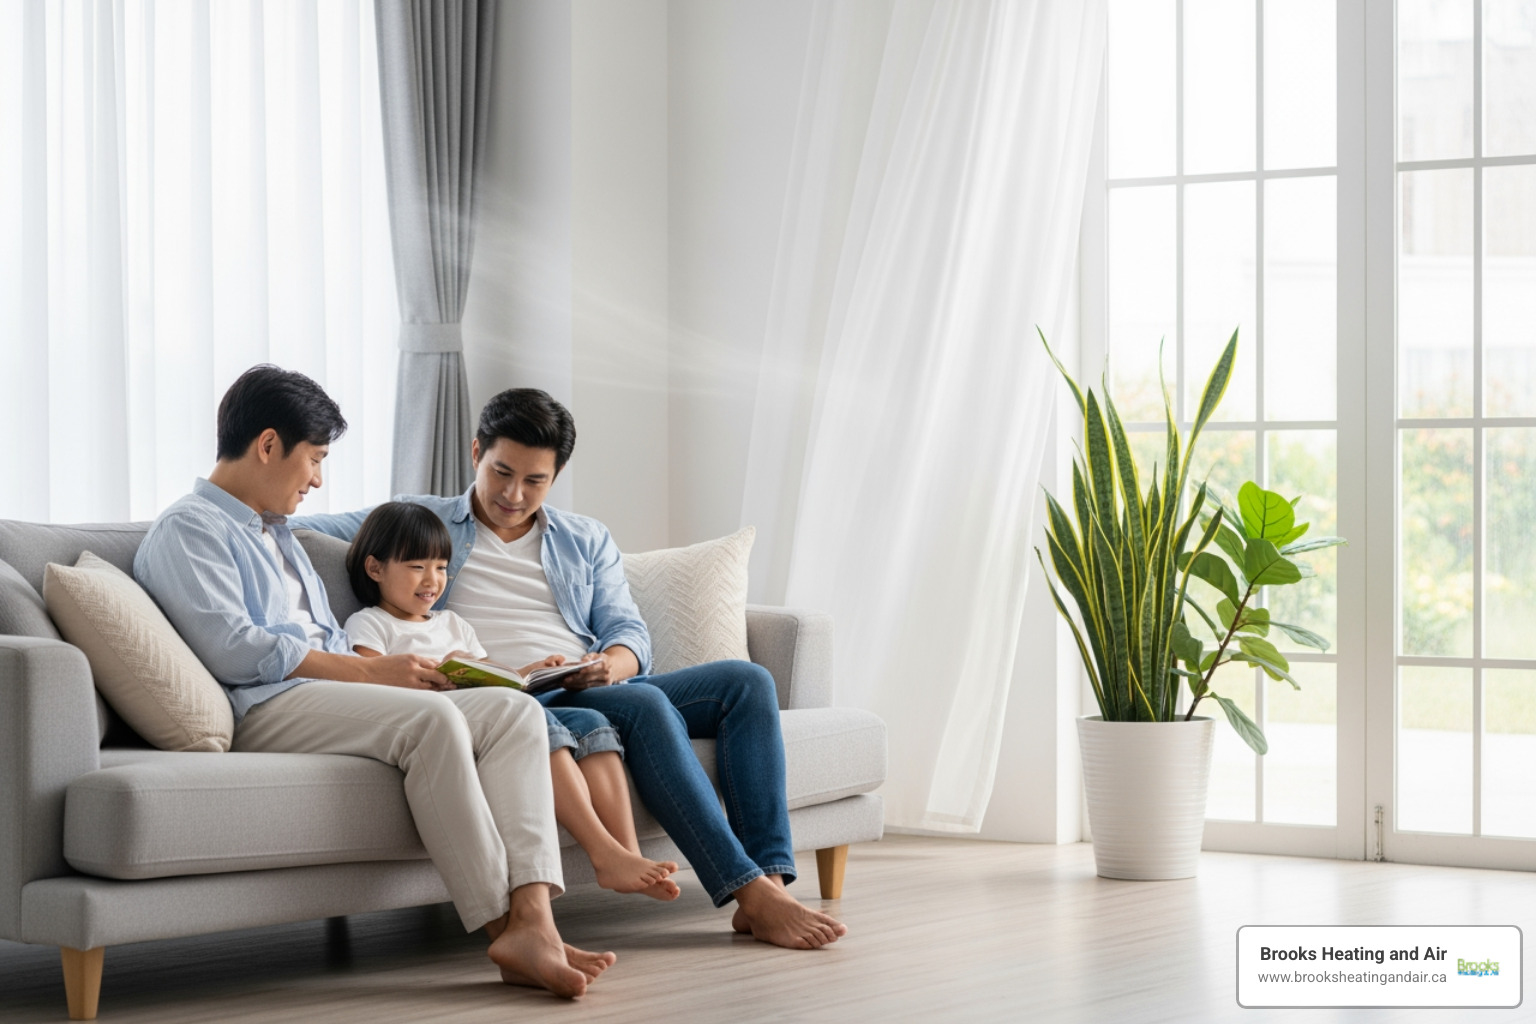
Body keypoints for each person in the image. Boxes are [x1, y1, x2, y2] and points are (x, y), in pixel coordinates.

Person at [296, 389, 848, 950]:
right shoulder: (423, 520)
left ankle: (770, 883)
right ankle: (748, 892)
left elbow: (629, 632)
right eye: (501, 473)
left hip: (586, 683)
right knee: (644, 702)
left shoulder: (585, 538)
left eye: (534, 481)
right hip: (510, 697)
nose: (513, 495)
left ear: (556, 475)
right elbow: (295, 525)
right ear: (476, 452)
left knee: (747, 682)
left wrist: (609, 664)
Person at [133, 366, 614, 998]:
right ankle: (506, 927)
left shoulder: (278, 534)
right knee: (434, 722)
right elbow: (235, 649)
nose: (317, 479)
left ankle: (535, 921)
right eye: (314, 459)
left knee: (515, 711)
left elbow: (326, 634)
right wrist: (370, 671)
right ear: (269, 445)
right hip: (269, 705)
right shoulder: (191, 527)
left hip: (332, 695)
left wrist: (407, 676)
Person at [340, 501, 680, 901]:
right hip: (447, 720)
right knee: (538, 722)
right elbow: (373, 683)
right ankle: (604, 853)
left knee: (591, 723)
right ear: (375, 568)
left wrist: (535, 670)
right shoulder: (370, 623)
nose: (432, 580)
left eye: (441, 568)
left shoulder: (453, 624)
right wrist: (435, 676)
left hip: (494, 707)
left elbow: (494, 675)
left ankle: (628, 853)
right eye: (417, 567)